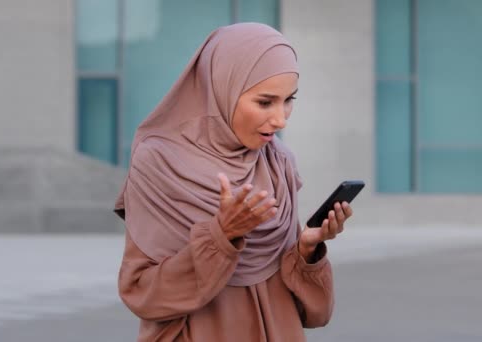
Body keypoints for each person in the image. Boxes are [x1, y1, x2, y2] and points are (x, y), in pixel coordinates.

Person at [115, 22, 353, 342]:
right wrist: (221, 235)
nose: (280, 119)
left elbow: (315, 313)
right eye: (265, 102)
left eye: (289, 100)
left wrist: (308, 251)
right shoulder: (159, 162)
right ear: (222, 89)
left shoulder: (277, 161)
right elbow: (142, 294)